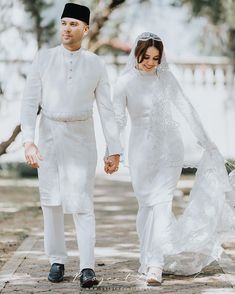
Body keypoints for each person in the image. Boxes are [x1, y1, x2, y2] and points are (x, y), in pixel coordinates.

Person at [112, 32, 235, 286]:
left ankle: (155, 264)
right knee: (147, 205)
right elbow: (117, 120)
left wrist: (207, 141)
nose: (150, 62)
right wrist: (113, 151)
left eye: (155, 58)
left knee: (162, 203)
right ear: (137, 53)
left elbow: (187, 109)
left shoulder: (166, 79)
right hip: (140, 152)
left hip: (170, 150)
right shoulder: (124, 82)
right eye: (146, 57)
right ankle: (146, 257)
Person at [20, 3, 121, 288]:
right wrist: (28, 141)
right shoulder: (44, 58)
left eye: (73, 24)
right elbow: (29, 103)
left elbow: (106, 109)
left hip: (81, 135)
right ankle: (56, 260)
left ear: (85, 29)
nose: (67, 28)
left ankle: (87, 266)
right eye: (64, 23)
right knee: (50, 200)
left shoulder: (96, 63)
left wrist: (113, 149)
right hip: (49, 135)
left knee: (82, 202)